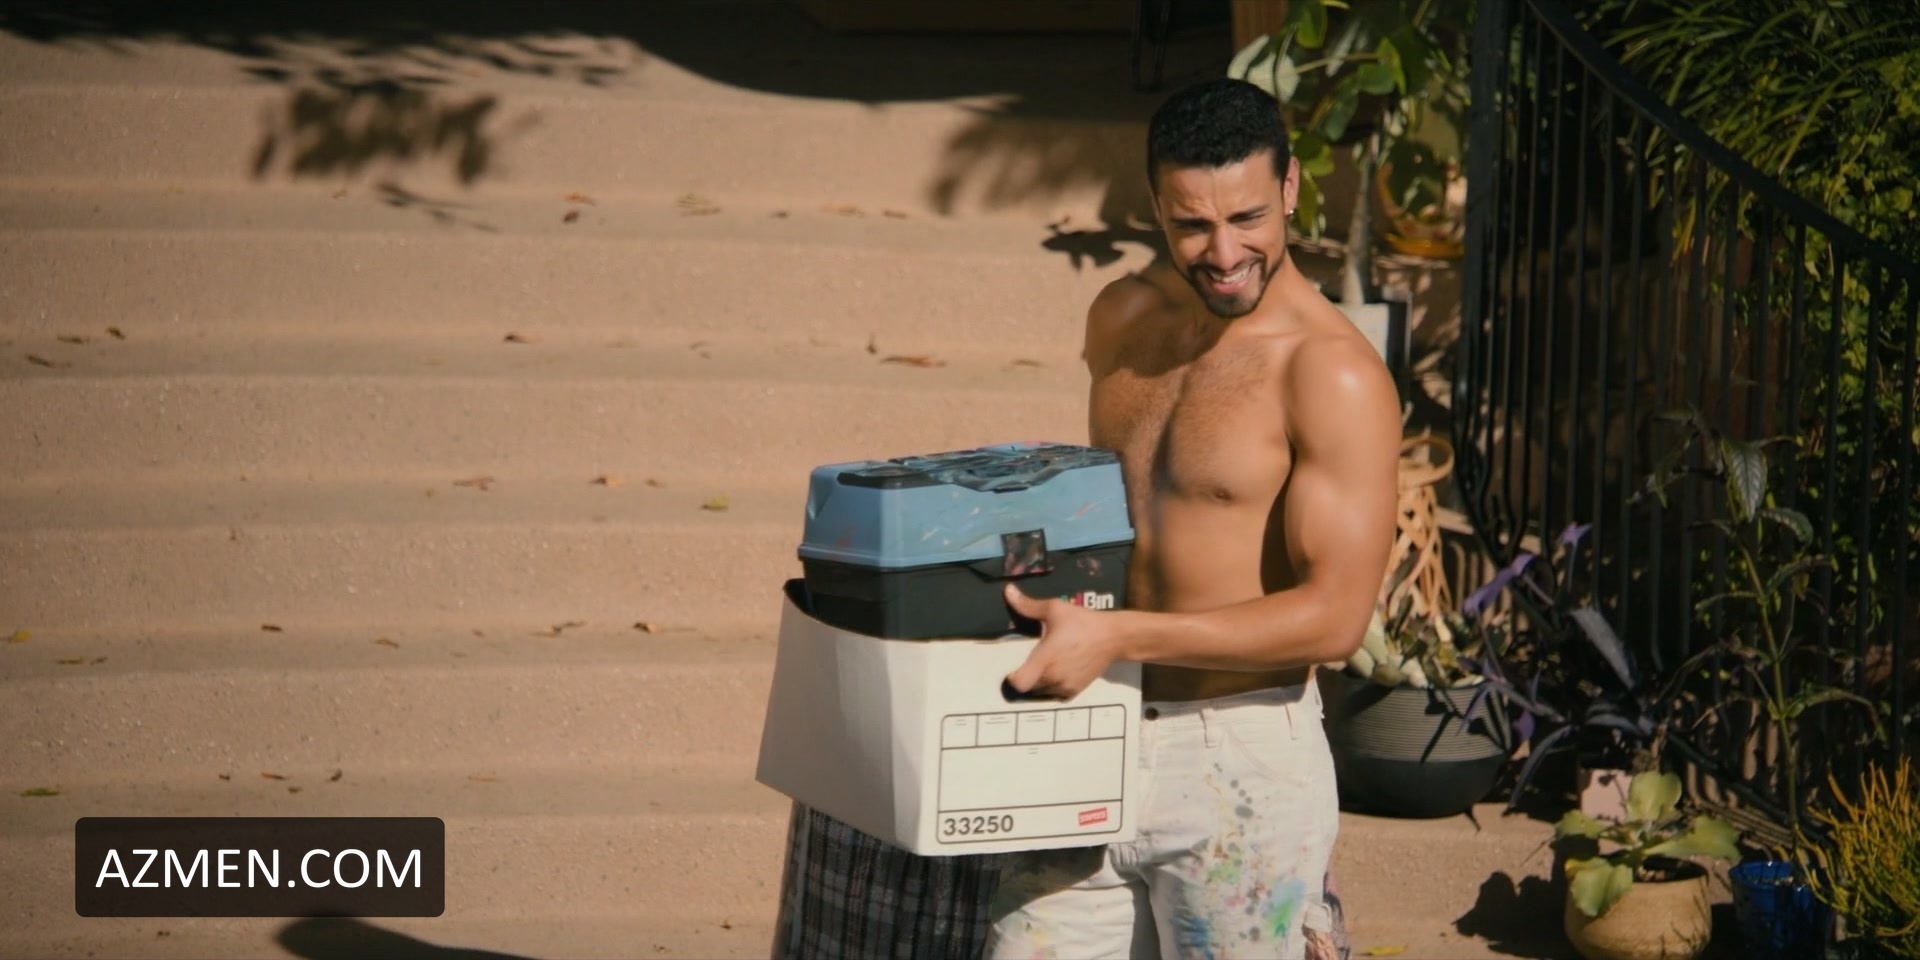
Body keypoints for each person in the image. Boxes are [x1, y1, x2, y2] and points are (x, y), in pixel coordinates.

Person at [988, 77, 1402, 960]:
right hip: (1090, 725)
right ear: (1155, 206)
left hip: (1239, 755)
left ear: (1290, 186)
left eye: (1249, 218)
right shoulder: (1122, 317)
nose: (1223, 253)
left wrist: (1118, 636)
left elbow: (1335, 618)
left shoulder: (1332, 373)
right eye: (1192, 225)